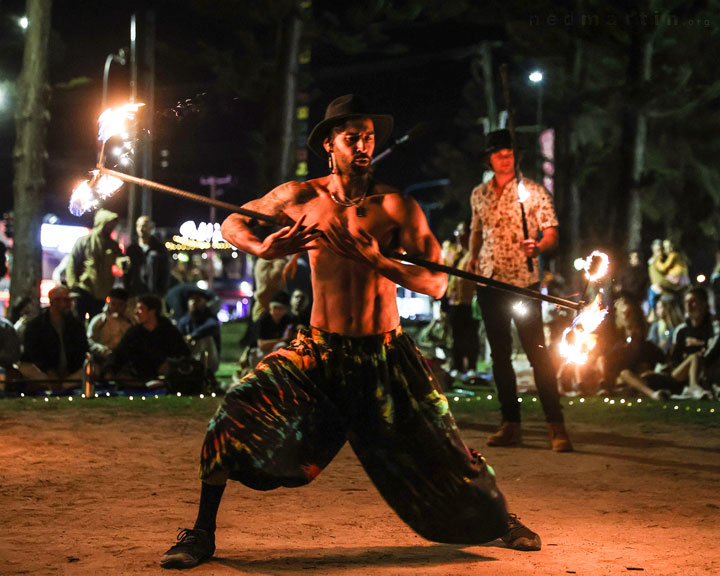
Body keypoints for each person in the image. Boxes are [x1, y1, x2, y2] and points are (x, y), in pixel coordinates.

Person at [160, 94, 540, 570]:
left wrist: (379, 261)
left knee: (446, 447)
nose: (363, 145)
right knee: (233, 416)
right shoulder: (300, 198)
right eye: (352, 137)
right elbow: (235, 221)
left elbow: (439, 283)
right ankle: (201, 534)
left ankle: (499, 520)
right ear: (329, 145)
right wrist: (265, 247)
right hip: (319, 353)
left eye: (369, 137)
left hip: (386, 354)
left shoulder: (396, 206)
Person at [467, 128, 572, 452]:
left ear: (517, 156)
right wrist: (472, 259)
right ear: (489, 158)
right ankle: (510, 424)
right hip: (489, 281)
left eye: (509, 151)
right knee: (500, 356)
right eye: (498, 152)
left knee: (537, 354)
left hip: (523, 283)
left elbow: (551, 233)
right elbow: (476, 231)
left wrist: (537, 247)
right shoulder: (479, 194)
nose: (504, 157)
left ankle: (557, 427)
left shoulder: (534, 192)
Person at [105, 294, 191, 387]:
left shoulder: (168, 331)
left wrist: (170, 364)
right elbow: (119, 354)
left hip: (165, 379)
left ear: (152, 312)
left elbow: (184, 355)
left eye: (140, 309)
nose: (136, 313)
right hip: (139, 378)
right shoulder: (134, 333)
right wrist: (109, 370)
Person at [18, 286, 88, 390]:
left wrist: (70, 370)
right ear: (53, 302)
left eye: (69, 300)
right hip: (44, 371)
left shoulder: (76, 325)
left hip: (69, 372)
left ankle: (60, 386)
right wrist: (49, 370)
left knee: (92, 368)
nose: (68, 304)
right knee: (25, 368)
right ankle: (56, 385)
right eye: (65, 300)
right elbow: (33, 353)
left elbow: (82, 351)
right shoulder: (37, 325)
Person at [65, 209, 124, 322]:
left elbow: (119, 259)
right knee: (78, 324)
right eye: (109, 224)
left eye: (113, 224)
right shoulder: (84, 241)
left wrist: (122, 263)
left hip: (101, 293)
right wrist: (73, 285)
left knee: (96, 323)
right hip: (84, 289)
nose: (111, 227)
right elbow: (72, 262)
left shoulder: (112, 245)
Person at [444, 221, 480, 379]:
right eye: (457, 232)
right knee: (456, 337)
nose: (459, 236)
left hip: (470, 302)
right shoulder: (453, 252)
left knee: (471, 336)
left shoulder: (473, 253)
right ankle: (457, 367)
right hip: (454, 302)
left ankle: (471, 367)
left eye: (463, 232)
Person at [86, 287, 133, 374]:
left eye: (120, 305)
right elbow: (89, 340)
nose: (116, 308)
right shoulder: (99, 320)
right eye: (113, 304)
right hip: (103, 357)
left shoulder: (131, 322)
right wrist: (101, 349)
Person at [124, 216, 170, 298]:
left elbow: (165, 272)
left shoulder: (160, 249)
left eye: (144, 226)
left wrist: (161, 293)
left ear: (151, 227)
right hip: (134, 294)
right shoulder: (131, 249)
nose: (141, 229)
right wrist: (128, 291)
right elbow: (127, 273)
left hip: (154, 295)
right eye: (138, 226)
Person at [177, 289, 221, 374]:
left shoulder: (210, 319)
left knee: (206, 338)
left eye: (198, 300)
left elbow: (211, 326)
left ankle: (193, 365)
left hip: (208, 361)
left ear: (205, 302)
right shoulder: (184, 321)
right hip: (189, 355)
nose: (194, 302)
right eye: (192, 299)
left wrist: (192, 336)